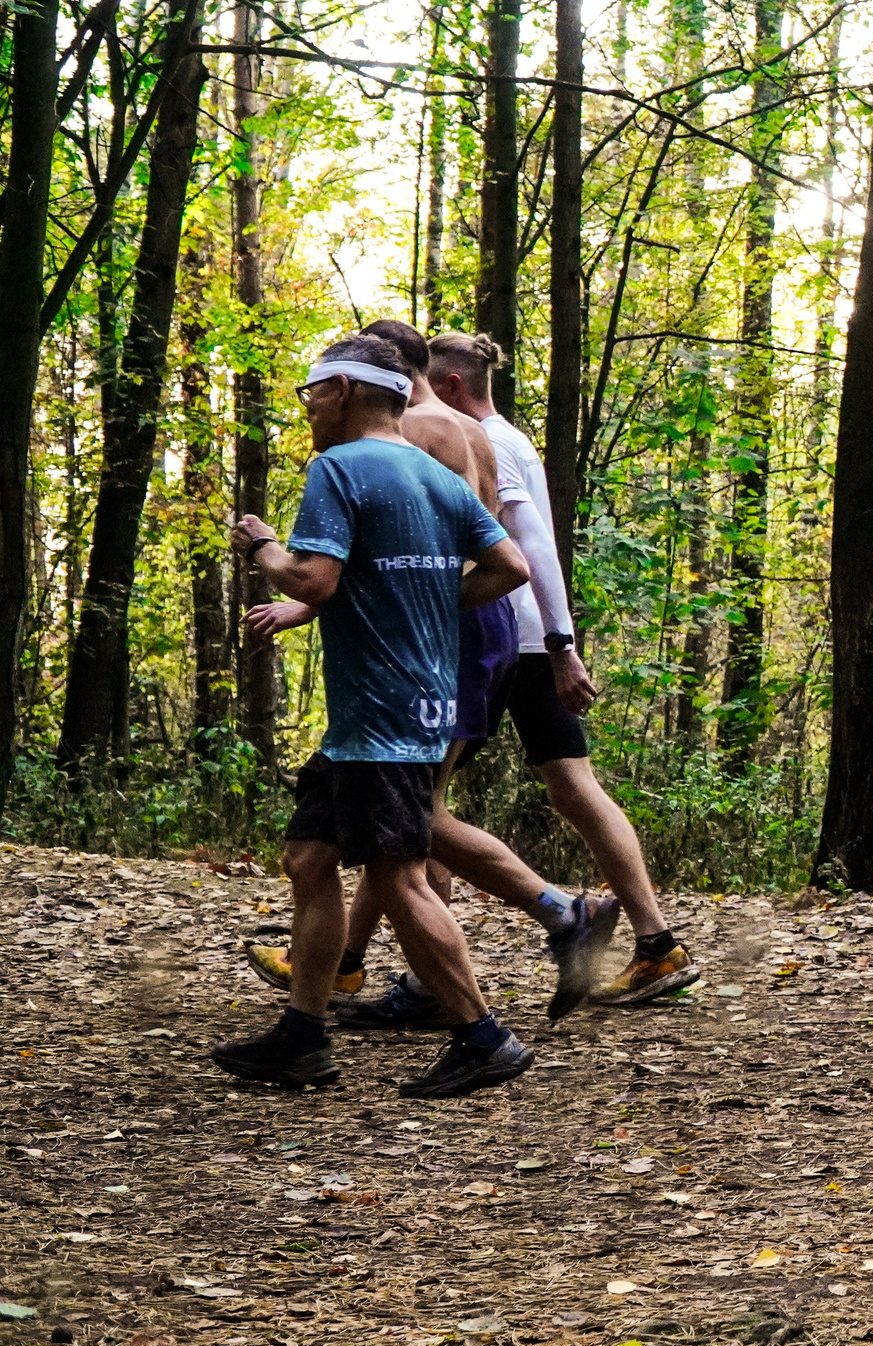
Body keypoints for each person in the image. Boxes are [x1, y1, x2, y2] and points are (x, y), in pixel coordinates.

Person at [239, 319, 621, 1025]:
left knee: (408, 825)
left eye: (320, 388)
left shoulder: (394, 445)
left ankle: (523, 957)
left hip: (430, 639)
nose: (313, 404)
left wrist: (289, 580)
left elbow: (377, 555)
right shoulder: (473, 432)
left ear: (363, 381)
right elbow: (509, 547)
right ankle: (338, 991)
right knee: (385, 823)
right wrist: (555, 636)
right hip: (467, 625)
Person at [210, 335, 540, 1096]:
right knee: (310, 858)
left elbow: (313, 579)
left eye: (312, 393)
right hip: (395, 708)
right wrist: (427, 601)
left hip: (383, 715)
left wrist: (262, 545)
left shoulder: (339, 468)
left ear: (348, 390)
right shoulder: (432, 470)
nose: (309, 408)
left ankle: (483, 1035)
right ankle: (302, 1035)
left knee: (397, 877)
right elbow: (509, 566)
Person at [424, 331, 699, 1004]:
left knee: (416, 801)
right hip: (524, 640)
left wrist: (560, 642)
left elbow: (536, 545)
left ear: (453, 385)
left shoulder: (484, 441)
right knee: (570, 788)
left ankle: (388, 969)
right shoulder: (503, 439)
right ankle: (658, 944)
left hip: (504, 641)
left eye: (427, 382)